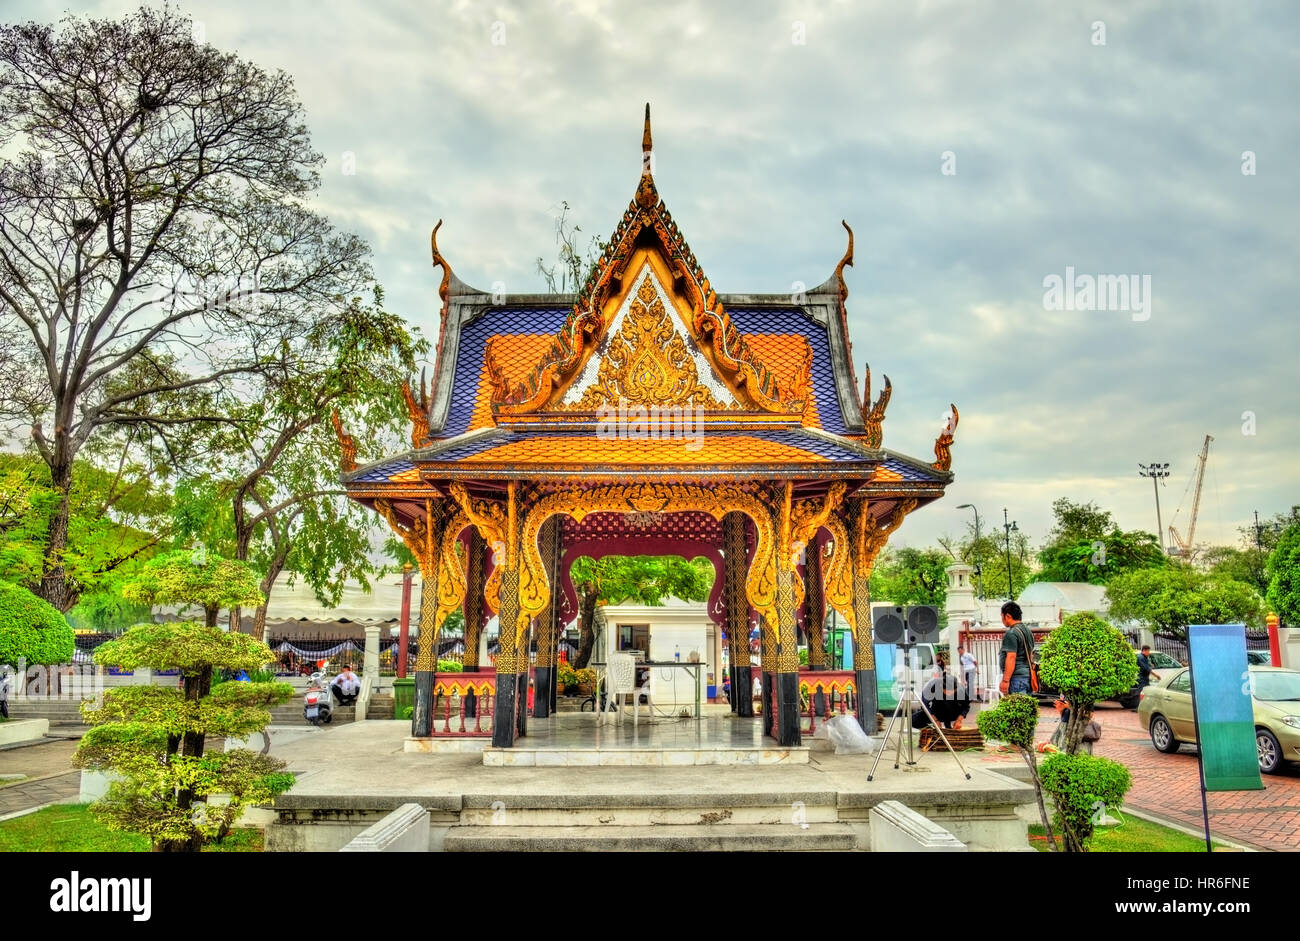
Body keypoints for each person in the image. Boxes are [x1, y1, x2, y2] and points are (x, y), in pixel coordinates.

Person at [997, 601, 1035, 696]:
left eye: (1002, 616)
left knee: (1017, 705)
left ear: (1008, 616)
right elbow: (1031, 655)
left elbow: (1011, 657)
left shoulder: (1011, 633)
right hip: (1027, 677)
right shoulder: (1028, 631)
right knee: (1026, 704)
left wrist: (1005, 681)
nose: (1002, 619)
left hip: (1017, 679)